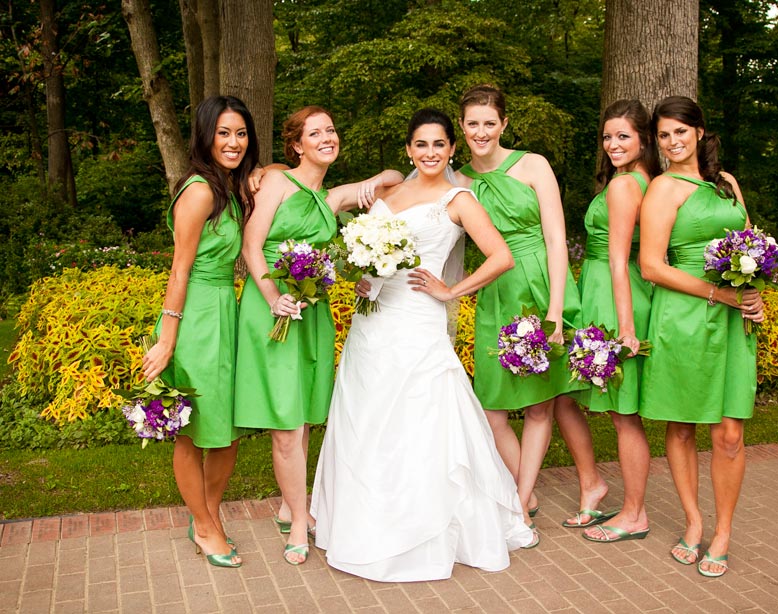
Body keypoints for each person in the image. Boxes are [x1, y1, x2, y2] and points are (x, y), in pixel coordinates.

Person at [310, 108, 534, 582]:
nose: (430, 153)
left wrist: (451, 291)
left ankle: (427, 528)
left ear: (452, 149)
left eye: (439, 145)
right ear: (409, 150)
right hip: (373, 321)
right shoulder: (389, 191)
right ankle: (364, 521)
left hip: (418, 320)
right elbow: (364, 245)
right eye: (421, 145)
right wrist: (363, 278)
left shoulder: (459, 199)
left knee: (421, 416)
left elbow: (502, 256)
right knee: (367, 417)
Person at [233, 106, 402, 565]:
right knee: (287, 423)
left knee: (305, 415)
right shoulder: (276, 183)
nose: (327, 137)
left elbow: (395, 176)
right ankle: (300, 524)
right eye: (316, 132)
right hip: (272, 306)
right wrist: (270, 296)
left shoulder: (329, 198)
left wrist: (370, 185)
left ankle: (291, 506)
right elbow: (252, 244)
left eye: (331, 129)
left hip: (313, 309)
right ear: (296, 144)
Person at [638, 96, 764, 578]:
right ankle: (693, 521)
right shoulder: (663, 189)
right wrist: (721, 295)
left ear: (700, 131)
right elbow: (652, 266)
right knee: (683, 424)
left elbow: (750, 243)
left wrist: (754, 288)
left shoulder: (726, 183)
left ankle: (724, 531)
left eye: (680, 132)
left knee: (729, 433)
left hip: (733, 316)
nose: (672, 142)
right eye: (664, 135)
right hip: (686, 314)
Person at [455, 85, 586, 540]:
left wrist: (554, 310)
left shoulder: (533, 165)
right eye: (473, 123)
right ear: (462, 127)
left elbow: (555, 238)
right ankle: (522, 493)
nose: (481, 131)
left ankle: (521, 500)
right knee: (492, 408)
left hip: (540, 284)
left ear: (504, 124)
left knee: (538, 405)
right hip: (496, 292)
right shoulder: (459, 181)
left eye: (490, 123)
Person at [142, 95, 259, 568]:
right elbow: (179, 270)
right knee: (193, 432)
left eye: (241, 133)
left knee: (226, 432)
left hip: (223, 316)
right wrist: (168, 338)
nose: (233, 142)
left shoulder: (229, 186)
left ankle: (206, 514)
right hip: (195, 320)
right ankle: (206, 524)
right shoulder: (199, 191)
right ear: (205, 136)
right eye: (223, 133)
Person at [553, 100, 661, 542]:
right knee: (576, 397)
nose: (612, 144)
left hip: (614, 296)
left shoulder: (624, 188)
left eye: (623, 136)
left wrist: (626, 329)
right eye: (607, 136)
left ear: (643, 140)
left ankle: (634, 513)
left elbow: (618, 262)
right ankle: (595, 485)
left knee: (623, 413)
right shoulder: (640, 181)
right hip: (609, 290)